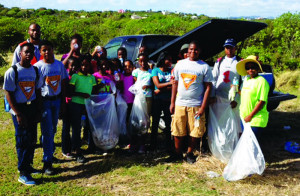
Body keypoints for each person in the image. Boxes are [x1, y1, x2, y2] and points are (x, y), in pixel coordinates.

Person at [4, 43, 43, 185]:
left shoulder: (35, 71)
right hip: (19, 109)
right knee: (23, 139)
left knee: (32, 138)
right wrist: (18, 113)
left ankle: (29, 166)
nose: (29, 54)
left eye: (31, 52)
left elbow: (38, 91)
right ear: (20, 53)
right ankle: (23, 172)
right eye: (26, 52)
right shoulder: (13, 71)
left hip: (32, 107)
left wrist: (39, 110)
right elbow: (8, 93)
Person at [169, 41, 213, 164]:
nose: (193, 52)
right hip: (180, 104)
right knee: (178, 129)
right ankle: (177, 154)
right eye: (191, 49)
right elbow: (175, 84)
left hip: (196, 105)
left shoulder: (204, 67)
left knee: (195, 131)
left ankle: (189, 153)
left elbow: (208, 87)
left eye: (196, 50)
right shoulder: (180, 64)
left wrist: (203, 107)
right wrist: (172, 102)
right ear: (187, 51)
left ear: (200, 51)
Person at [34, 40, 68, 175]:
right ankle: (47, 162)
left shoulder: (59, 65)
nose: (47, 52)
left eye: (49, 49)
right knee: (47, 130)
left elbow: (64, 82)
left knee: (52, 129)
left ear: (53, 49)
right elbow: (36, 88)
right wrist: (39, 105)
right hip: (45, 102)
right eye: (44, 50)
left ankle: (49, 152)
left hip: (57, 101)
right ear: (41, 52)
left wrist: (64, 102)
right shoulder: (38, 67)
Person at [69, 53, 97, 162]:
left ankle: (91, 147)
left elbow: (94, 91)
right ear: (80, 66)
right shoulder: (75, 76)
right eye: (83, 65)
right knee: (76, 128)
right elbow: (70, 92)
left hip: (88, 105)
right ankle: (77, 151)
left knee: (89, 127)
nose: (85, 67)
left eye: (87, 65)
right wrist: (81, 94)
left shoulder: (92, 77)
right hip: (76, 104)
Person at [236, 55, 270, 138]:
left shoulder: (261, 81)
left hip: (255, 119)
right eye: (247, 68)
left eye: (253, 67)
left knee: (251, 145)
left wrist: (250, 116)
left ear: (258, 68)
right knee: (247, 144)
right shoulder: (247, 80)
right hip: (245, 118)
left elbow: (262, 101)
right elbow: (245, 94)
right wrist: (236, 89)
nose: (250, 70)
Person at [151, 51, 173, 152]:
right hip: (157, 101)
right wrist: (169, 83)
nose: (170, 61)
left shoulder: (171, 70)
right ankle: (153, 144)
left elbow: (174, 86)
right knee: (155, 122)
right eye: (168, 59)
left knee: (168, 123)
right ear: (163, 60)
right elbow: (157, 84)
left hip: (167, 100)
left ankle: (168, 144)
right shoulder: (155, 71)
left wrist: (159, 90)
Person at [130, 53, 153, 154]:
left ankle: (142, 143)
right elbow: (135, 85)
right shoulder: (136, 72)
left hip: (148, 98)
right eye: (141, 61)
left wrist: (148, 87)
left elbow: (153, 84)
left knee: (145, 121)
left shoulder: (151, 72)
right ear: (139, 61)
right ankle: (135, 143)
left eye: (145, 61)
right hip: (139, 99)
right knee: (137, 120)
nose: (143, 63)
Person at [211, 38, 242, 108]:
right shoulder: (219, 61)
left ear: (235, 48)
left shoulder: (240, 62)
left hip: (232, 99)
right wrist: (212, 95)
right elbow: (214, 78)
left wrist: (236, 99)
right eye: (227, 48)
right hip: (218, 98)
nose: (229, 50)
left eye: (231, 47)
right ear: (224, 48)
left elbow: (243, 82)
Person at [61, 57, 80, 159]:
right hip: (66, 104)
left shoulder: (77, 76)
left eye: (75, 66)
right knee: (66, 127)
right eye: (71, 65)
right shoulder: (65, 77)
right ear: (67, 66)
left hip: (75, 103)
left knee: (76, 127)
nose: (73, 67)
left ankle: (75, 147)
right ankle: (65, 149)